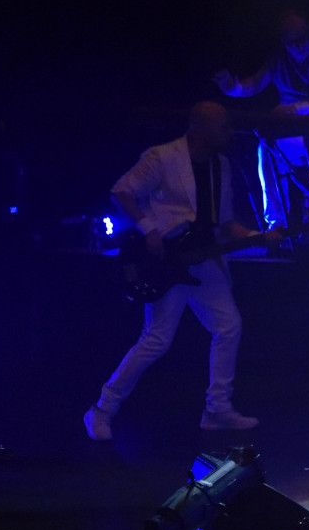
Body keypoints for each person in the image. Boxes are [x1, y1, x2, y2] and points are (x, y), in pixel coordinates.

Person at [83, 101, 279, 441]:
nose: (230, 132)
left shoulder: (222, 166)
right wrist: (150, 230)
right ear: (199, 127)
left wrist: (259, 236)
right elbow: (122, 191)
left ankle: (217, 409)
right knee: (156, 340)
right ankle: (101, 409)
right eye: (223, 127)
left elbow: (225, 222)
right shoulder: (163, 156)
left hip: (205, 261)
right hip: (168, 262)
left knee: (228, 326)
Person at [213, 8, 309, 252]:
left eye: (303, 39)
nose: (298, 46)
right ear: (283, 41)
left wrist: (295, 108)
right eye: (292, 42)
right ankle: (276, 227)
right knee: (266, 150)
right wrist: (232, 87)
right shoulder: (277, 58)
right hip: (294, 134)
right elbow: (252, 85)